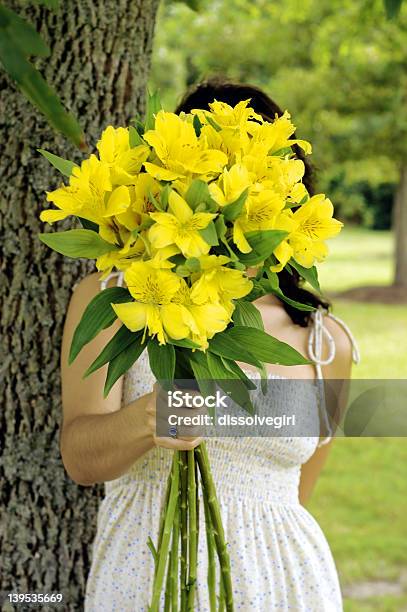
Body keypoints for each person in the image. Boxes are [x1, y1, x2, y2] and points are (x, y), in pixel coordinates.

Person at [60, 78, 360, 611]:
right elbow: (81, 459)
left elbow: (295, 494)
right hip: (143, 575)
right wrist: (151, 417)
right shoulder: (112, 299)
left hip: (285, 586)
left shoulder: (324, 341)